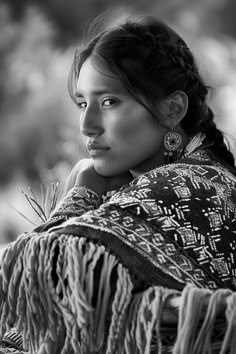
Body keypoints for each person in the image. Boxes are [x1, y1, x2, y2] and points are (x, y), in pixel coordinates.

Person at [1, 14, 236, 354]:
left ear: (173, 108)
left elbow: (40, 281)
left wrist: (82, 191)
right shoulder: (207, 176)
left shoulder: (190, 185)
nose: (87, 125)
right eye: (83, 103)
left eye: (109, 102)